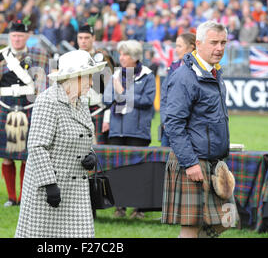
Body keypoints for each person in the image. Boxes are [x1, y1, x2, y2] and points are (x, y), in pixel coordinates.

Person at [15, 50, 106, 238]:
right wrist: (49, 185)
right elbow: (37, 146)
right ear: (74, 78)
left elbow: (84, 137)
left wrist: (90, 156)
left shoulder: (80, 102)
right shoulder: (48, 101)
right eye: (88, 77)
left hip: (76, 189)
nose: (91, 82)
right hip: (49, 189)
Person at [161, 20, 238, 238]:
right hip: (194, 161)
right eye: (214, 42)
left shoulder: (215, 74)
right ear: (198, 44)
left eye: (223, 42)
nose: (220, 48)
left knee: (226, 219)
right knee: (191, 228)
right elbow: (173, 123)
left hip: (214, 161)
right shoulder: (185, 76)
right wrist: (190, 162)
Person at [0, 20, 49, 207]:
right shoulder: (0, 57)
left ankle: (24, 197)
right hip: (5, 106)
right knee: (7, 156)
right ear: (10, 37)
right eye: (14, 36)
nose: (17, 39)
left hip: (28, 107)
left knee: (26, 155)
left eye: (20, 36)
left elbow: (43, 83)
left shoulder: (38, 56)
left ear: (27, 37)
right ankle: (10, 197)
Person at [102, 40, 156, 219]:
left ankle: (139, 209)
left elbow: (147, 101)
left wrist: (123, 93)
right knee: (117, 172)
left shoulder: (148, 75)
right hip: (117, 130)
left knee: (138, 172)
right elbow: (108, 98)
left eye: (125, 54)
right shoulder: (116, 74)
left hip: (138, 131)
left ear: (134, 57)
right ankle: (120, 207)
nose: (121, 58)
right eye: (121, 54)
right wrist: (125, 94)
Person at [77, 23, 116, 145]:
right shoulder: (71, 59)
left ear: (93, 38)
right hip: (77, 111)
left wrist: (107, 117)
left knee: (99, 153)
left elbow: (111, 90)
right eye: (80, 38)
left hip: (98, 109)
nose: (83, 41)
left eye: (87, 38)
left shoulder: (103, 59)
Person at [159, 33, 196, 147]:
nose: (176, 50)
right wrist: (165, 120)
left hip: (191, 128)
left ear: (191, 47)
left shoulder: (200, 69)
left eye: (179, 46)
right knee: (164, 162)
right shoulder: (173, 67)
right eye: (176, 46)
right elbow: (164, 95)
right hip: (170, 125)